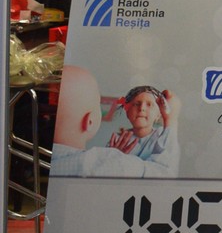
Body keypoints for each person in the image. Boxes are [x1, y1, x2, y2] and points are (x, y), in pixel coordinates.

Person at [49, 66, 181, 178]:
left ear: (158, 114)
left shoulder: (160, 137)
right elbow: (165, 173)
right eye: (136, 104)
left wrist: (113, 156)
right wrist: (171, 119)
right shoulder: (112, 154)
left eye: (149, 104)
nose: (141, 108)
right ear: (127, 111)